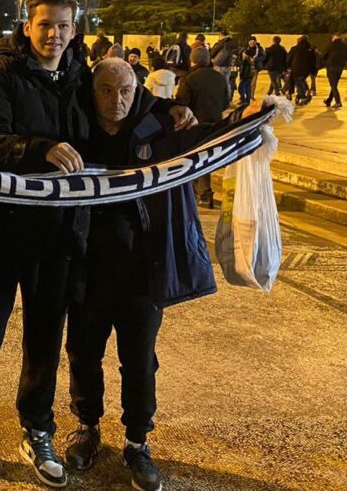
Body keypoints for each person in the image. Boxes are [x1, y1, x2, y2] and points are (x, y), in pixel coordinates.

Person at [0, 0, 195, 488]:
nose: (54, 35)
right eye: (45, 25)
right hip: (2, 231)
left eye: (63, 25)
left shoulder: (81, 75)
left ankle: (38, 429)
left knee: (44, 343)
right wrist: (43, 149)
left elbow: (126, 103)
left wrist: (169, 112)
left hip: (59, 236)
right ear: (26, 25)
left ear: (74, 28)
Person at [65, 58, 262, 491]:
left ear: (138, 92)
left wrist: (248, 119)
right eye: (106, 90)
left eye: (125, 91)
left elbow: (205, 140)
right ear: (91, 90)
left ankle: (138, 442)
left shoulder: (161, 126)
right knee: (82, 354)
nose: (116, 100)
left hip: (143, 273)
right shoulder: (74, 127)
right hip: (85, 271)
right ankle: (86, 427)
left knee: (138, 361)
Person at [176, 47, 229, 207]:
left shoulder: (190, 78)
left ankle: (202, 193)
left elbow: (182, 103)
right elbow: (226, 102)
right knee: (205, 158)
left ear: (193, 60)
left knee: (193, 158)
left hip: (194, 124)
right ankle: (202, 193)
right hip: (215, 123)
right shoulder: (219, 77)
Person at [322, 33, 347, 109]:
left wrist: (326, 62)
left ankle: (338, 102)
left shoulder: (331, 45)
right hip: (340, 67)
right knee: (334, 84)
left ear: (334, 37)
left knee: (333, 85)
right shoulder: (346, 46)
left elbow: (323, 55)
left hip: (331, 67)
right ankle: (329, 100)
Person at [287, 36, 317, 106]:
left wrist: (287, 67)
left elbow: (289, 58)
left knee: (299, 83)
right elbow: (313, 61)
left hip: (296, 69)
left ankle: (303, 97)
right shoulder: (310, 49)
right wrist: (313, 71)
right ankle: (300, 96)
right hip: (306, 70)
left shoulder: (294, 48)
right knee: (301, 82)